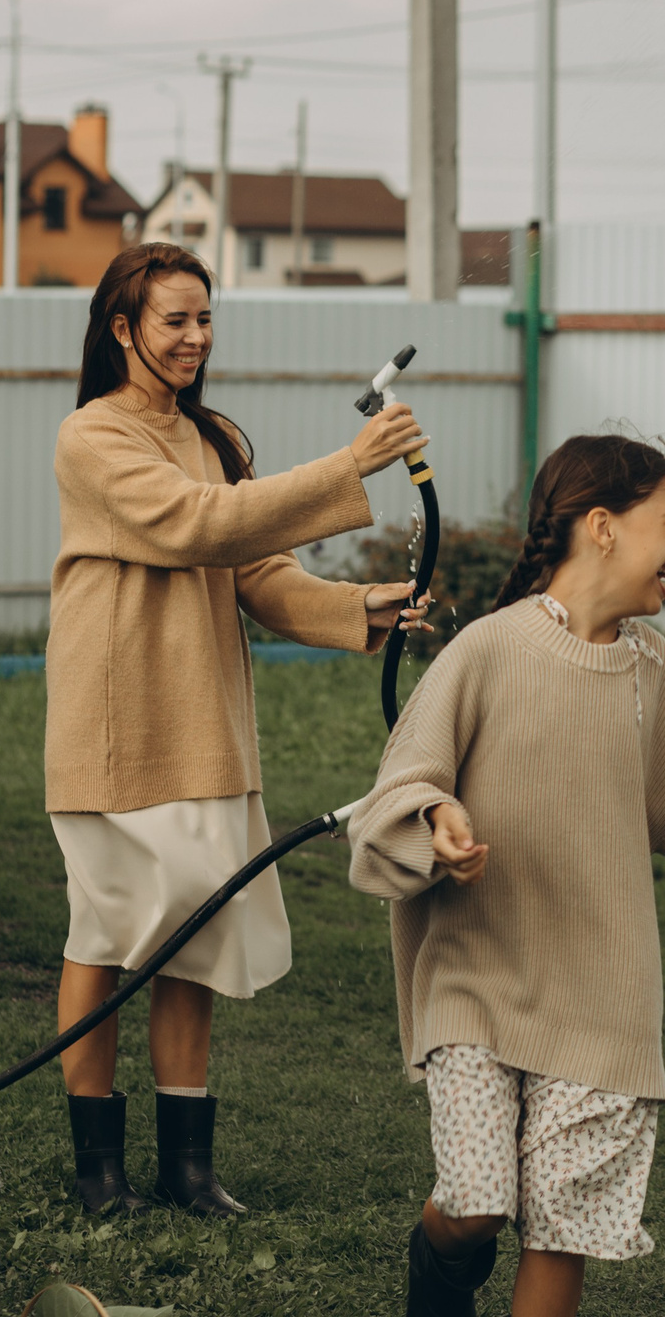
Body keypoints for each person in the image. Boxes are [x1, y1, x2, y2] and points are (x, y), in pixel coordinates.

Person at [344, 434, 665, 1317]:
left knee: (564, 1218)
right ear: (602, 528)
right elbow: (405, 780)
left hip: (603, 993)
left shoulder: (649, 668)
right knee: (476, 1199)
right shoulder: (488, 649)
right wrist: (435, 819)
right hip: (478, 978)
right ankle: (436, 1275)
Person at [47, 241, 424, 1218]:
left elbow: (255, 571)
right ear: (123, 327)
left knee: (194, 939)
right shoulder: (92, 437)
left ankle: (186, 1169)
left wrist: (361, 608)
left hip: (203, 728)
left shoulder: (212, 435)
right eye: (175, 319)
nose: (195, 336)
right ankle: (98, 1173)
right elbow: (195, 526)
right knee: (103, 932)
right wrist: (347, 467)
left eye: (205, 318)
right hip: (113, 733)